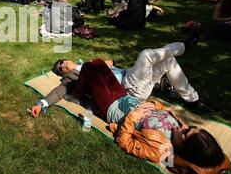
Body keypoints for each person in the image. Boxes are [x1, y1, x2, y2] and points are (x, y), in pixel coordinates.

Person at [30, 39, 209, 121]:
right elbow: (58, 92)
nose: (62, 66)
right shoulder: (72, 78)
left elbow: (112, 66)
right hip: (128, 90)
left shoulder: (87, 63)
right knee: (146, 55)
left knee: (168, 61)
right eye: (59, 69)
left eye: (61, 62)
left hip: (130, 75)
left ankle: (193, 99)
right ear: (62, 74)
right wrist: (42, 103)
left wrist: (110, 63)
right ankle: (183, 46)